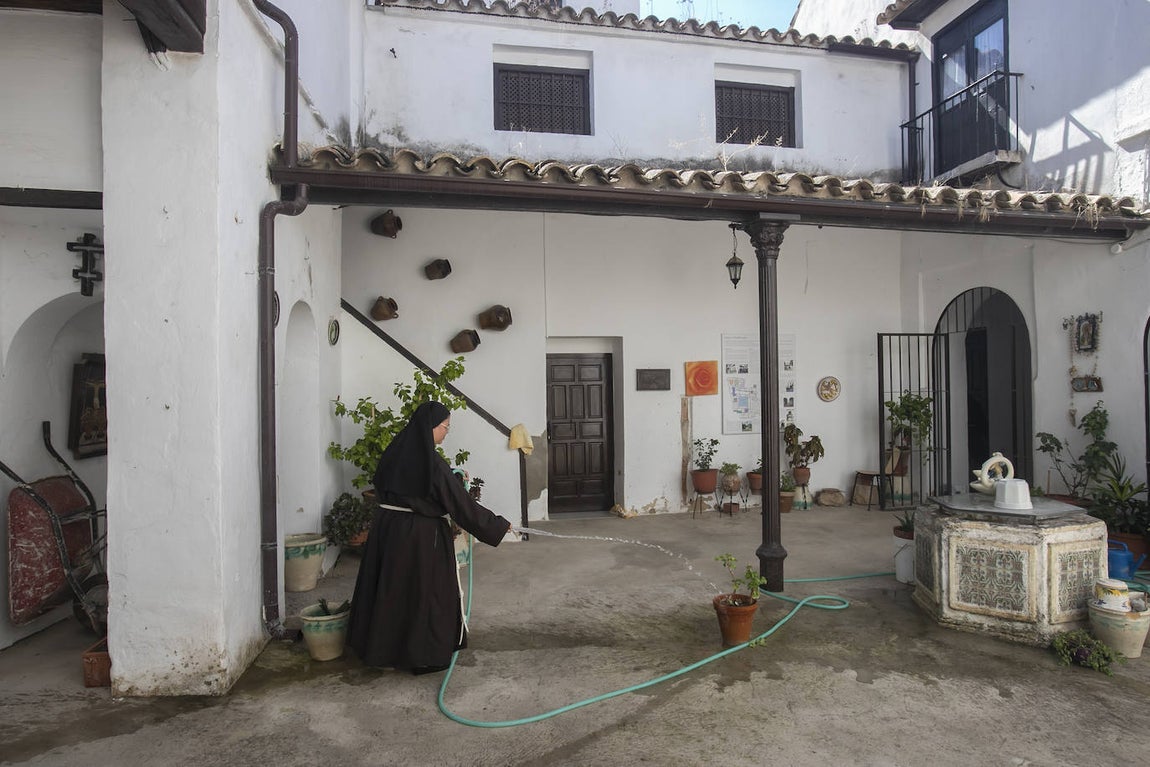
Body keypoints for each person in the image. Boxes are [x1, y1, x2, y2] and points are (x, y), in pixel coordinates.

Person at [347, 401, 513, 674]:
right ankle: (422, 656)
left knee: (391, 591)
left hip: (388, 533)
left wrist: (454, 480)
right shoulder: (433, 463)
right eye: (445, 426)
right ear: (430, 427)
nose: (447, 432)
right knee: (425, 593)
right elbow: (460, 506)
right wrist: (497, 525)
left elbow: (421, 491)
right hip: (420, 539)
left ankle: (383, 650)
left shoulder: (394, 452)